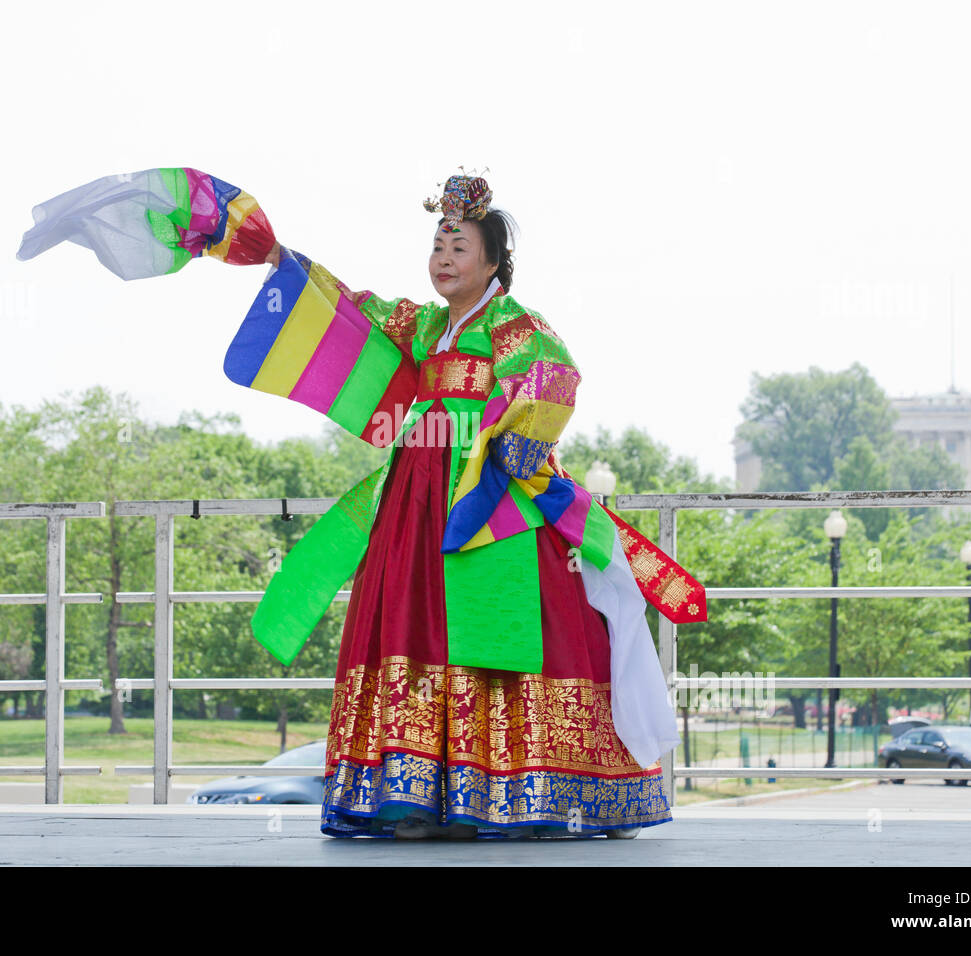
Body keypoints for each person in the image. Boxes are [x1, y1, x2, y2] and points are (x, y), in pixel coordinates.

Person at [240, 173, 683, 840]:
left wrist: (509, 436)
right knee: (413, 623)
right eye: (438, 245)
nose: (444, 258)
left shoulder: (513, 324)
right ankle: (420, 798)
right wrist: (287, 263)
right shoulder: (423, 327)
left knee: (502, 629)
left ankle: (525, 796)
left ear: (493, 262)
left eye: (460, 246)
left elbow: (554, 375)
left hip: (489, 491)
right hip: (416, 489)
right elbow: (355, 309)